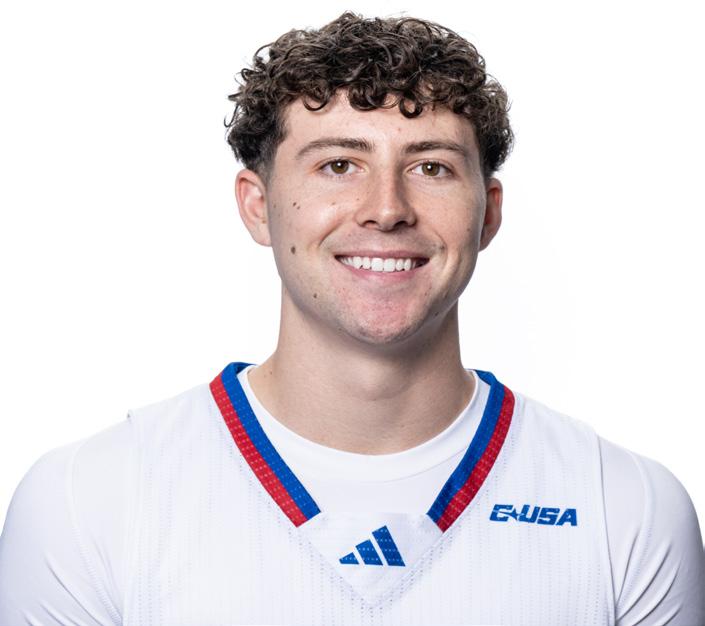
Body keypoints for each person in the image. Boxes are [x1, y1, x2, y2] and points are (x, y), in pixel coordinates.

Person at [0, 11, 703, 625]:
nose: (386, 208)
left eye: (431, 167)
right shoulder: (90, 499)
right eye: (338, 165)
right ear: (257, 206)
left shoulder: (623, 506)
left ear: (487, 213)